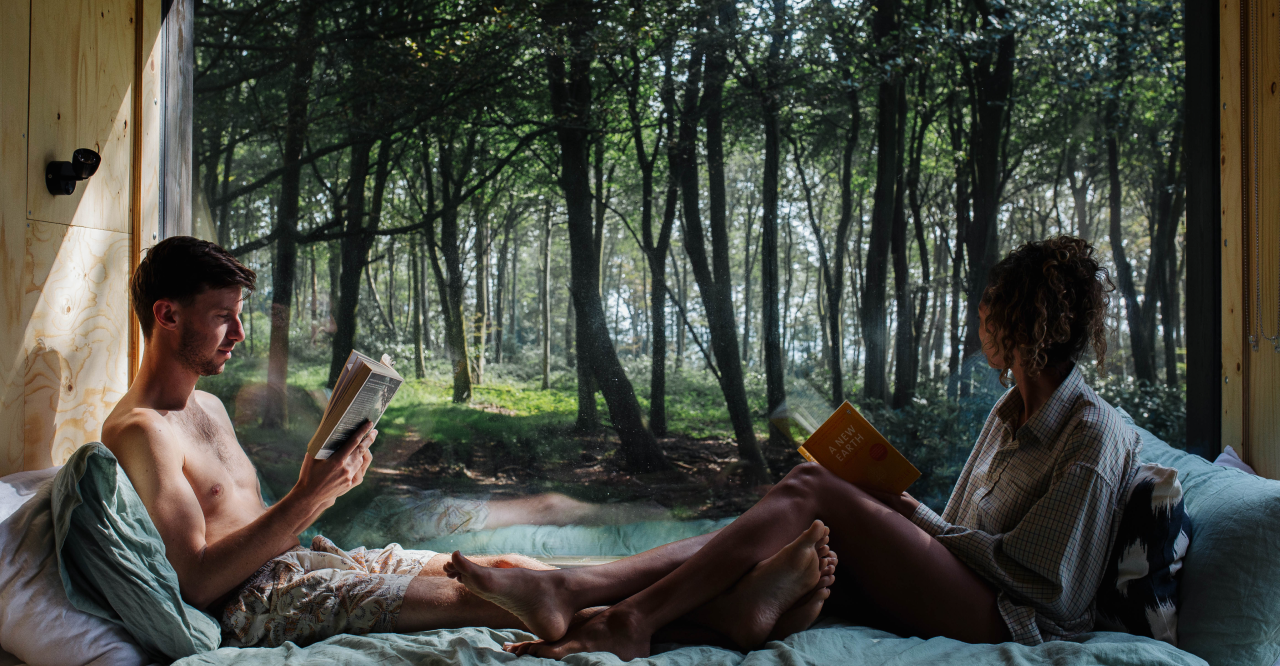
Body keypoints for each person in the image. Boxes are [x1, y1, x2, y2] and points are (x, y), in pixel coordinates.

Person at [101, 236, 836, 649]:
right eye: (223, 316)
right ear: (167, 315)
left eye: (240, 314)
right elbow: (198, 583)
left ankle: (726, 595)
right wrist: (305, 496)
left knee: (516, 566)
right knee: (483, 597)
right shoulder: (141, 432)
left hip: (306, 559)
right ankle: (720, 614)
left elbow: (253, 521)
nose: (239, 333)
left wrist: (319, 494)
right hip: (263, 603)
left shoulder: (209, 406)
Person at [446, 235, 1141, 660]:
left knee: (808, 490)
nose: (980, 317)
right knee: (787, 531)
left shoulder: (1092, 433)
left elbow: (1048, 585)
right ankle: (584, 594)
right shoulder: (1010, 410)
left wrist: (913, 515)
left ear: (1020, 320)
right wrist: (900, 513)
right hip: (966, 587)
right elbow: (960, 531)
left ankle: (627, 618)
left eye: (990, 305)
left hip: (1012, 620)